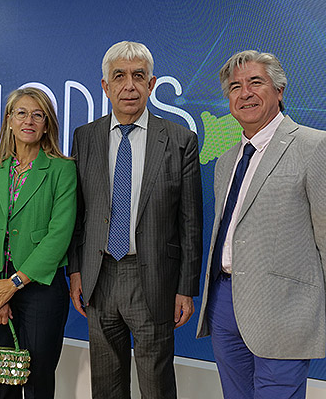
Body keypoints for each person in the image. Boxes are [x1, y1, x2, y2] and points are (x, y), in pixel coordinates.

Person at [196, 50, 326, 399]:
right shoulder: (227, 161)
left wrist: (319, 312)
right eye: (235, 86)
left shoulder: (317, 147)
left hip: (286, 309)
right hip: (224, 303)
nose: (245, 93)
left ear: (280, 90)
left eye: (256, 82)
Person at [67, 41, 203, 399]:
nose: (129, 85)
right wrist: (76, 271)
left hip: (154, 277)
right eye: (120, 77)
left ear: (152, 84)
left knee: (156, 384)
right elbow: (78, 215)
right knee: (106, 384)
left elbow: (191, 222)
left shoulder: (179, 140)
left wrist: (186, 288)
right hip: (99, 276)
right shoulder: (85, 137)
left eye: (138, 76)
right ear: (105, 86)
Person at [0, 87, 76, 399]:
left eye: (37, 114)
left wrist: (13, 284)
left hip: (40, 287)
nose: (29, 120)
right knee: (1, 380)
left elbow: (59, 236)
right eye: (21, 113)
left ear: (47, 124)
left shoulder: (62, 169)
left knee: (37, 379)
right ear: (9, 121)